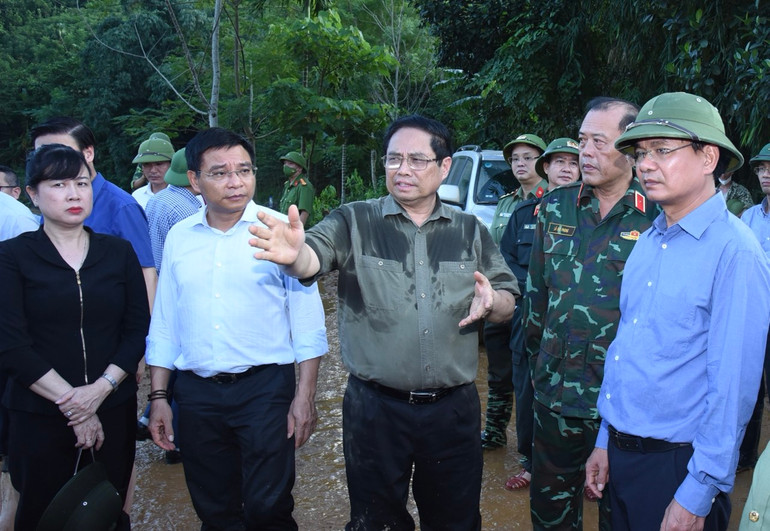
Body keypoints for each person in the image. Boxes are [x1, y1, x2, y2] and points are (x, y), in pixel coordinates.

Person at [249, 114, 519, 530]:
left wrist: (493, 302)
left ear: (444, 167)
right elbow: (313, 256)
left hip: (453, 411)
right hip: (374, 410)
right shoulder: (354, 220)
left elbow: (507, 299)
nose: (402, 170)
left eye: (416, 160)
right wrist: (295, 255)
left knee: (456, 521)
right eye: (393, 160)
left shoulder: (470, 231)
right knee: (375, 522)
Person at [585, 91, 770, 530]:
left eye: (662, 151)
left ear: (708, 158)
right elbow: (627, 349)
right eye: (641, 152)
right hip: (622, 457)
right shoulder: (648, 240)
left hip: (677, 469)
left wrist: (698, 490)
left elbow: (732, 392)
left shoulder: (735, 253)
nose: (645, 164)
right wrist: (605, 439)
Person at [146, 127, 328, 530]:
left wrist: (305, 396)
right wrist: (159, 396)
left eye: (244, 170)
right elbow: (166, 322)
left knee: (269, 508)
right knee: (214, 510)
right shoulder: (179, 237)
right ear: (194, 180)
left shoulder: (278, 229)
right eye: (220, 172)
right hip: (196, 394)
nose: (235, 182)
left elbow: (308, 321)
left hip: (264, 391)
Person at [0, 144, 150, 530]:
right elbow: (11, 343)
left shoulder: (118, 253)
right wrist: (75, 406)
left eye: (82, 183)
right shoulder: (11, 257)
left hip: (113, 409)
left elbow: (136, 329)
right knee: (41, 513)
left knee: (106, 509)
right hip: (37, 415)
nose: (73, 194)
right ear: (32, 193)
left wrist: (99, 391)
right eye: (59, 184)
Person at [526, 97, 656, 530]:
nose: (585, 152)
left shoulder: (658, 216)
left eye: (599, 141)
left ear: (632, 147)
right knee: (550, 519)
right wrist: (540, 369)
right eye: (583, 140)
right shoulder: (556, 207)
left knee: (620, 518)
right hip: (555, 399)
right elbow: (536, 301)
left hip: (623, 409)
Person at [499, 137, 580, 491]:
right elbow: (504, 266)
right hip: (528, 319)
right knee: (527, 391)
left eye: (572, 163)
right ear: (544, 168)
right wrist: (538, 286)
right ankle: (531, 464)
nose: (565, 169)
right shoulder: (521, 215)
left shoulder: (595, 214)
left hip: (577, 326)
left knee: (579, 391)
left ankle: (585, 467)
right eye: (557, 162)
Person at [30, 117, 157, 310]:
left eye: (61, 151)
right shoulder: (49, 206)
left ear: (88, 153)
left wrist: (142, 336)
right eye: (42, 153)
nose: (52, 161)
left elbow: (146, 274)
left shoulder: (121, 207)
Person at [482, 133, 547, 451]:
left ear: (543, 162)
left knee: (529, 376)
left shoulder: (554, 198)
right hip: (500, 297)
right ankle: (494, 431)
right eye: (515, 159)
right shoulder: (506, 202)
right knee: (497, 369)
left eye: (528, 157)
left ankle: (532, 447)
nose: (520, 164)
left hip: (531, 304)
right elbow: (496, 251)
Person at [737, 142, 770, 473]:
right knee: (749, 388)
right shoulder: (748, 217)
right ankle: (746, 458)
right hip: (752, 315)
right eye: (761, 168)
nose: (765, 174)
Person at [131, 134, 174, 209]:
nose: (153, 170)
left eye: (159, 164)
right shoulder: (136, 197)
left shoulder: (185, 195)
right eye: (147, 164)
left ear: (171, 164)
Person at [278, 151, 314, 225]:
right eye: (285, 163)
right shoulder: (287, 185)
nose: (286, 166)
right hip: (285, 229)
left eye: (290, 164)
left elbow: (304, 214)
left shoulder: (304, 186)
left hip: (298, 233)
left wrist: (296, 233)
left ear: (299, 168)